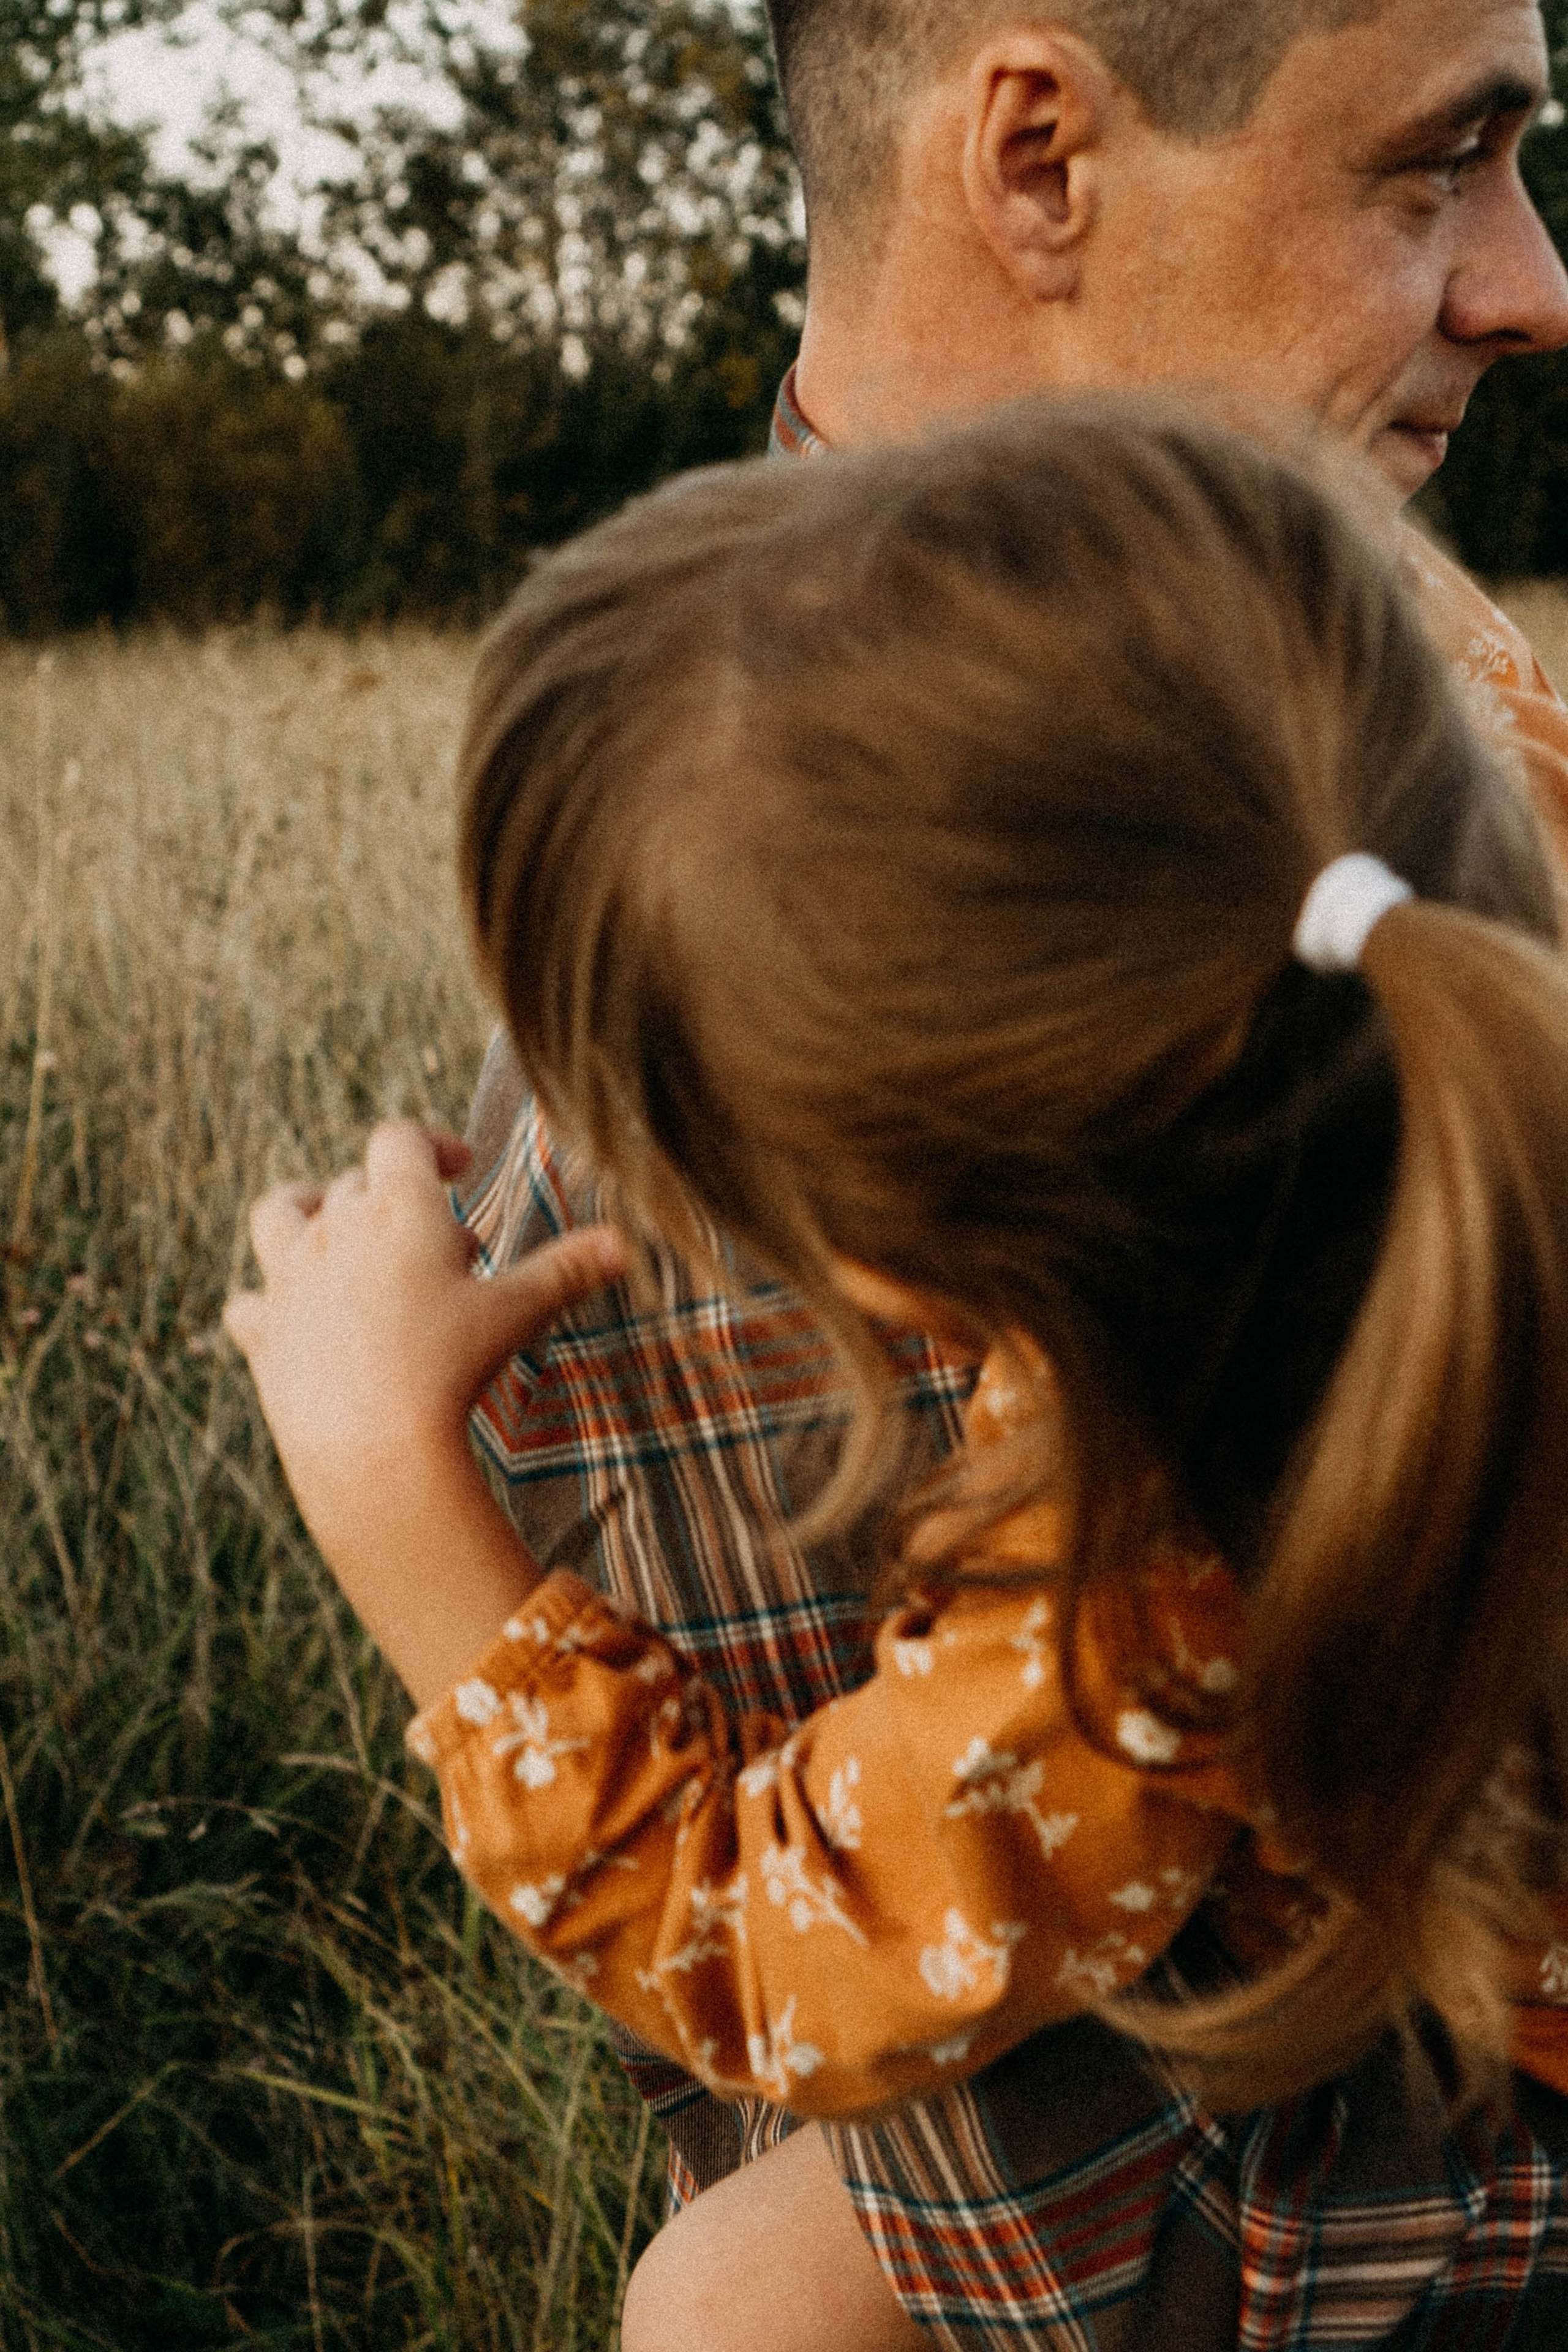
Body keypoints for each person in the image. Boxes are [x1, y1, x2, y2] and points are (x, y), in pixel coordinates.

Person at [228, 399, 1568, 2350]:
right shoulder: (1470, 1021)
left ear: (875, 1250)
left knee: (723, 2306)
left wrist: (393, 1501)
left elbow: (782, 1957)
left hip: (1493, 2103)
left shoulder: (1129, 1590)